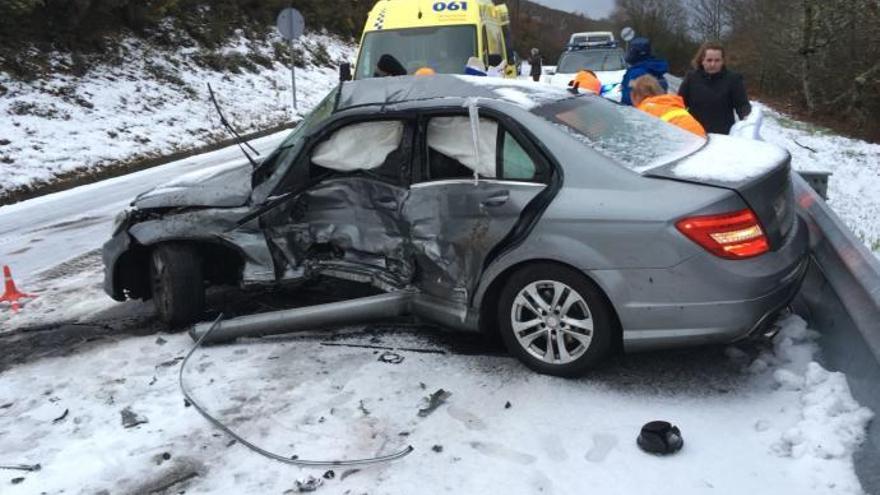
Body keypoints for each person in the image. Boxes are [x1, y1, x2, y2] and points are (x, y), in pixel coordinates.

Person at [679, 42, 751, 134]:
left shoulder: (734, 79)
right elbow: (680, 103)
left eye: (717, 60)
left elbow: (742, 105)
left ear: (723, 61)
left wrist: (746, 118)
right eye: (709, 60)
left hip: (722, 136)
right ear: (702, 60)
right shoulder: (691, 78)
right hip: (693, 134)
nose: (713, 64)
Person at [630, 75, 706, 137]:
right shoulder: (669, 103)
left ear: (637, 95)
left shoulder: (644, 110)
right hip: (702, 140)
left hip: (687, 145)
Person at [620, 37, 669, 106]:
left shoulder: (638, 72)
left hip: (635, 113)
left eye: (631, 51)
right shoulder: (651, 67)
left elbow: (631, 98)